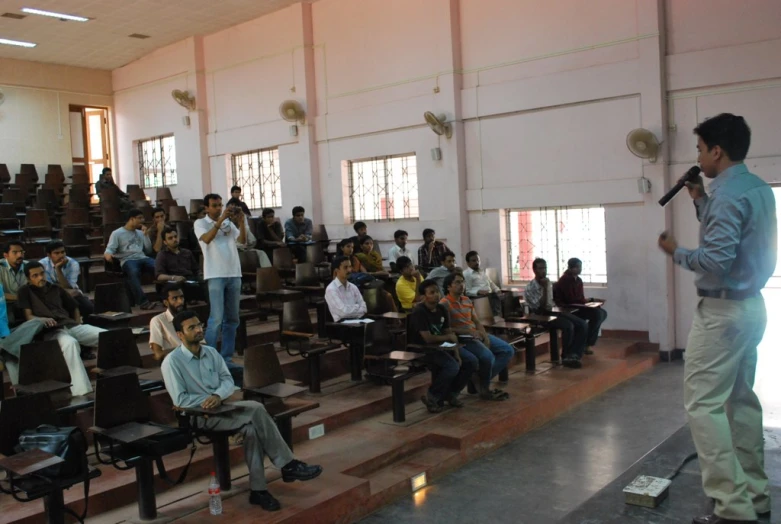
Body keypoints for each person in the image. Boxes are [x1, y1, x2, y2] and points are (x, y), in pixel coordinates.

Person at [658, 113, 774, 524]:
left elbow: (716, 260)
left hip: (723, 312)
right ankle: (755, 496)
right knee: (740, 400)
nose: (699, 157)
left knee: (704, 405)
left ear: (716, 151)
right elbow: (732, 236)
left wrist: (677, 251)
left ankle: (732, 507)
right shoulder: (754, 188)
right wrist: (698, 200)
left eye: (700, 149)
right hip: (750, 307)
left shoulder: (726, 196)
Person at [161, 310, 323, 512]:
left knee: (252, 430)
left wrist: (218, 396)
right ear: (180, 334)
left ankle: (259, 491)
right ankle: (288, 464)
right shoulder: (172, 362)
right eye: (191, 327)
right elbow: (181, 399)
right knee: (256, 407)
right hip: (198, 416)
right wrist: (208, 400)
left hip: (222, 407)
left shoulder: (210, 352)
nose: (198, 329)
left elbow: (227, 381)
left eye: (199, 325)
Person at [18, 261, 106, 397]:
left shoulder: (55, 288)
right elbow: (28, 316)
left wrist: (78, 322)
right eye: (35, 275)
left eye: (42, 273)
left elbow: (74, 306)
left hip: (70, 325)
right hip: (51, 331)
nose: (40, 277)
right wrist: (41, 319)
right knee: (70, 344)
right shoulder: (25, 291)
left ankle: (113, 379)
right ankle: (81, 392)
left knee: (106, 336)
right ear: (29, 279)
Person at [194, 194, 245, 377]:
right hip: (215, 274)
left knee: (232, 319)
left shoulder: (229, 224)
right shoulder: (200, 223)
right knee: (216, 319)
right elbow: (206, 239)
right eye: (215, 206)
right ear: (206, 208)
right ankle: (207, 357)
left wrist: (242, 222)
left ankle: (226, 357)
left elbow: (243, 241)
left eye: (220, 205)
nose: (218, 208)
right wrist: (221, 219)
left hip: (234, 273)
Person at [440, 272, 513, 400]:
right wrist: (467, 332)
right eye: (457, 282)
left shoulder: (467, 300)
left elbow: (476, 321)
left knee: (507, 350)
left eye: (462, 282)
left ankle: (479, 378)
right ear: (448, 287)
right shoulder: (445, 303)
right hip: (463, 337)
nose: (461, 285)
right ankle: (484, 387)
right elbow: (445, 329)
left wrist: (484, 336)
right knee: (488, 357)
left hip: (475, 334)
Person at [409, 279, 476, 413]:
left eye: (437, 291)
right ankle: (432, 396)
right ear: (423, 296)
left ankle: (451, 394)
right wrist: (448, 338)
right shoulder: (419, 312)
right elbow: (428, 338)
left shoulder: (442, 308)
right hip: (423, 349)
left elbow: (448, 332)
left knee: (470, 362)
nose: (436, 295)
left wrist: (456, 353)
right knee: (451, 366)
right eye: (431, 293)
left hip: (442, 346)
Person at [524, 258, 585, 368]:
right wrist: (544, 288)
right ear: (534, 270)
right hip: (540, 315)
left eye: (545, 268)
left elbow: (551, 302)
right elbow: (540, 307)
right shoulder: (530, 287)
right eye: (540, 268)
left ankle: (574, 354)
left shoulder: (548, 283)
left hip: (552, 311)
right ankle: (566, 356)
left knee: (581, 323)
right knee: (568, 326)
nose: (544, 271)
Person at [104, 209, 160, 310]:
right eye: (139, 218)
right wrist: (108, 255)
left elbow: (148, 250)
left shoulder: (140, 233)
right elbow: (109, 249)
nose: (142, 220)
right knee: (133, 272)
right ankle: (143, 302)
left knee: (159, 268)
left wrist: (145, 235)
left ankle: (163, 297)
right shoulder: (117, 233)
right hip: (127, 259)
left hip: (142, 257)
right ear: (131, 219)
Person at [555, 258, 607, 351]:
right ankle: (586, 344)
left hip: (578, 306)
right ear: (570, 268)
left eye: (580, 267)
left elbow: (580, 298)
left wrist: (592, 301)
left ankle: (588, 342)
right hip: (569, 308)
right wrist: (590, 300)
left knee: (602, 313)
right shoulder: (565, 280)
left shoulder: (578, 280)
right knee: (597, 314)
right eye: (577, 267)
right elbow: (570, 300)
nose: (579, 269)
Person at [0, 281, 45, 385]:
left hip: (5, 336)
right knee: (13, 357)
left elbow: (2, 317)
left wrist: (5, 337)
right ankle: (6, 349)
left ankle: (4, 348)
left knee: (38, 322)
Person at [39, 240, 94, 316]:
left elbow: (69, 286)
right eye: (57, 253)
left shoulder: (73, 264)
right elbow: (49, 287)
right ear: (49, 255)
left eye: (63, 252)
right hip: (51, 295)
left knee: (89, 307)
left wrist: (58, 269)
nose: (61, 255)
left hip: (71, 294)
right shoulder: (42, 265)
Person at [155, 227, 206, 303]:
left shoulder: (187, 252)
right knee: (179, 286)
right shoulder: (162, 255)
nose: (174, 239)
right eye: (170, 238)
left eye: (175, 237)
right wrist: (174, 278)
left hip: (190, 279)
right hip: (174, 282)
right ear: (165, 242)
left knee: (207, 284)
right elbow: (159, 276)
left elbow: (196, 269)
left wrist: (201, 275)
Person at [149, 282, 186, 361]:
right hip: (175, 363)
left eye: (182, 297)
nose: (180, 301)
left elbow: (202, 345)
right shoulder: (158, 321)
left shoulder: (190, 318)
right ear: (166, 302)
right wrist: (187, 351)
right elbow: (158, 354)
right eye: (175, 298)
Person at [324, 256, 367, 322]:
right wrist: (357, 307)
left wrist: (349, 309)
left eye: (350, 267)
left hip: (358, 322)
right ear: (336, 270)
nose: (349, 270)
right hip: (341, 326)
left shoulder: (353, 287)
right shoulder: (331, 289)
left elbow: (364, 308)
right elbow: (343, 313)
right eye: (345, 267)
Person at [464, 251, 504, 317]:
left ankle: (502, 318)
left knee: (505, 296)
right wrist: (478, 291)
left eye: (478, 260)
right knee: (494, 297)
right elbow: (467, 291)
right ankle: (496, 317)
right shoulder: (466, 274)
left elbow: (490, 283)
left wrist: (497, 290)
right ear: (468, 263)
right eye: (474, 261)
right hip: (478, 298)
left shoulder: (482, 272)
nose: (477, 262)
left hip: (489, 295)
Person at [0, 241, 29, 322]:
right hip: (6, 304)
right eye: (15, 252)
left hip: (26, 303)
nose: (20, 255)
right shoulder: (1, 267)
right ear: (6, 255)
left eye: (22, 252)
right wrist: (19, 298)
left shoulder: (29, 266)